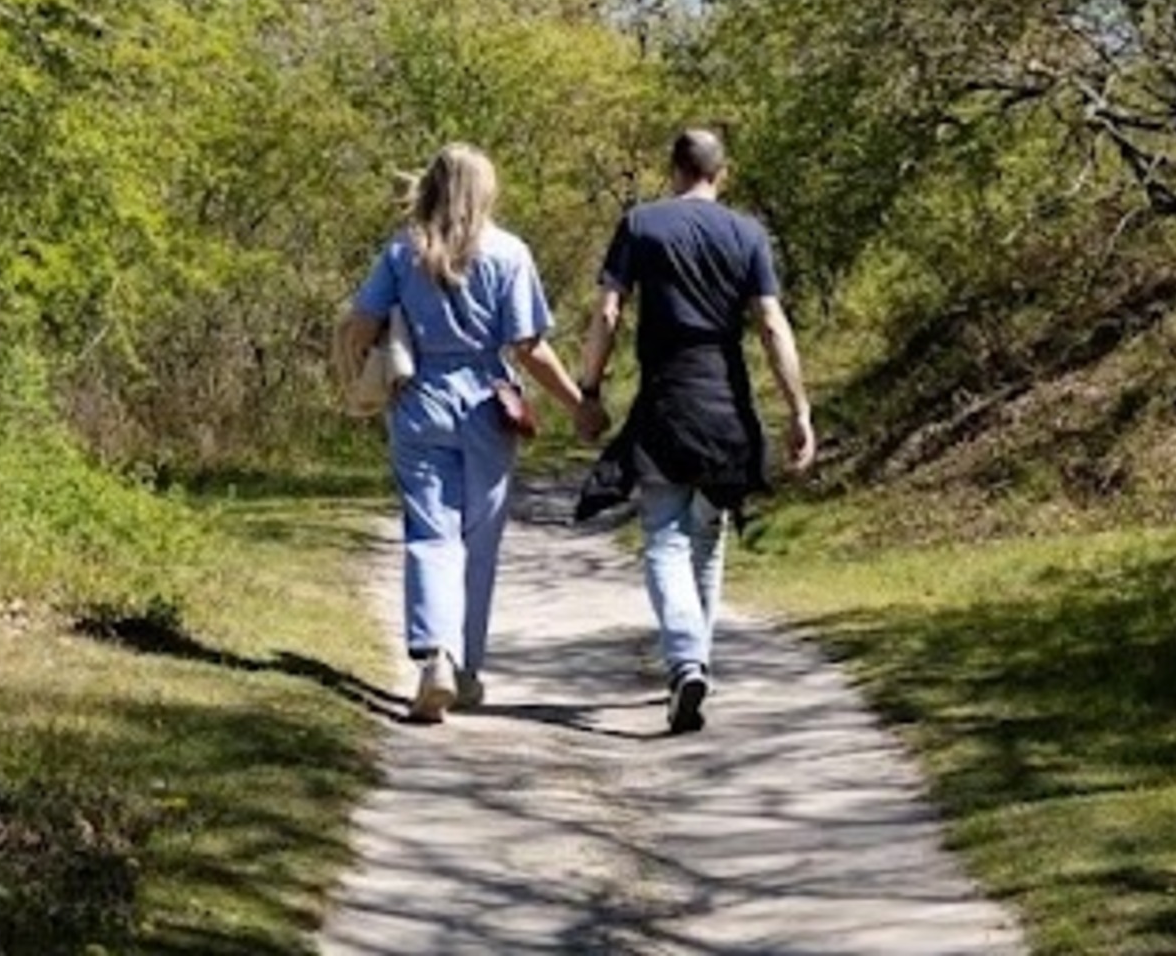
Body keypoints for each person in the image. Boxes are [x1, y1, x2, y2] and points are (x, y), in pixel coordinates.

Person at [332, 142, 601, 723]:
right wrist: (579, 404)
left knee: (431, 533)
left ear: (431, 186)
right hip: (486, 406)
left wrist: (358, 369)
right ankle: (467, 670)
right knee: (479, 540)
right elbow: (528, 347)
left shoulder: (403, 252)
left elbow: (361, 322)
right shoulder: (509, 253)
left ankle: (436, 656)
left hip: (418, 401)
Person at [572, 127, 816, 735]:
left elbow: (608, 311)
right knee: (707, 535)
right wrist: (799, 410)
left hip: (667, 399)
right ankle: (692, 664)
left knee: (664, 536)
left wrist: (589, 388)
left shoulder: (641, 225)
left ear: (673, 169)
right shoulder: (747, 234)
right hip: (726, 401)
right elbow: (771, 324)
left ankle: (686, 662)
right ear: (720, 173)